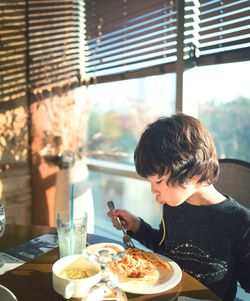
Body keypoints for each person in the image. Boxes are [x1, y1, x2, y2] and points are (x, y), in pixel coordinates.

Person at [107, 113, 250, 301]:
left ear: (194, 174)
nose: (153, 190)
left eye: (158, 180)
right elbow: (167, 249)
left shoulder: (240, 223)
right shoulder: (175, 205)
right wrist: (136, 226)